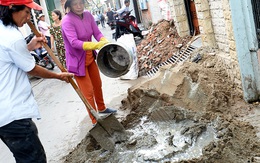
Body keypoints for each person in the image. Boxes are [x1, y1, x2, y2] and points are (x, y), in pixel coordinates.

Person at [0, 0, 74, 162]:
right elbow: (31, 68)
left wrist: (30, 46)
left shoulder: (3, 31)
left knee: (24, 157)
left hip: (4, 117)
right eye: (26, 12)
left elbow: (10, 57)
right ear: (12, 7)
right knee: (34, 159)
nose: (28, 18)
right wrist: (58, 76)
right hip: (13, 115)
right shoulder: (12, 36)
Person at [62, 0, 117, 125]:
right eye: (75, 4)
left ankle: (102, 108)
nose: (79, 6)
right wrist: (95, 45)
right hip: (77, 60)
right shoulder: (67, 21)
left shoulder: (88, 15)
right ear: (69, 6)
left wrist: (103, 40)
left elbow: (96, 32)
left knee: (97, 84)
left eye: (81, 3)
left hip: (90, 56)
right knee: (88, 92)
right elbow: (74, 42)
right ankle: (95, 119)